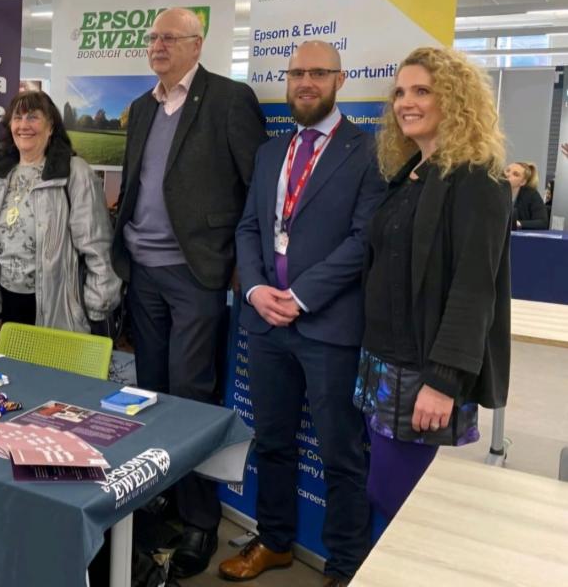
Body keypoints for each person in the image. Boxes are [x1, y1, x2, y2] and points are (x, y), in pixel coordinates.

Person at [112, 6, 266, 578]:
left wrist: (240, 267)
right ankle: (160, 498)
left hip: (196, 273)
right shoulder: (141, 107)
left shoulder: (228, 100)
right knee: (151, 393)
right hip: (143, 271)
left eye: (170, 38)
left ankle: (201, 518)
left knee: (193, 394)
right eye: (153, 37)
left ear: (198, 45)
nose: (158, 46)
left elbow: (255, 190)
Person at [222, 41, 383, 587]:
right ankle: (274, 541)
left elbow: (365, 241)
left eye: (318, 73)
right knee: (272, 441)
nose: (305, 82)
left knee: (341, 454)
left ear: (340, 79)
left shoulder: (368, 152)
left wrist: (302, 295)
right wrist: (257, 291)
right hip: (265, 324)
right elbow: (248, 229)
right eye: (296, 74)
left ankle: (345, 566)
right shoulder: (271, 153)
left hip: (328, 327)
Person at [355, 46, 511, 521]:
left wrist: (443, 384)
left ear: (454, 99)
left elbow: (474, 290)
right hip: (381, 363)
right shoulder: (411, 174)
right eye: (400, 92)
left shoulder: (478, 180)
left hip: (423, 371)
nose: (406, 102)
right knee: (382, 493)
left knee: (396, 502)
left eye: (422, 90)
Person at [0, 90, 121, 331]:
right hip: (11, 300)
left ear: (51, 126)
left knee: (53, 368)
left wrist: (98, 306)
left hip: (60, 305)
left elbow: (97, 246)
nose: (24, 125)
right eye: (17, 117)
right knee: (16, 368)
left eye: (33, 117)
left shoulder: (74, 172)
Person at [505, 161, 547, 229]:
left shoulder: (531, 195)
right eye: (507, 170)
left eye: (515, 174)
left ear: (523, 182)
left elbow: (542, 222)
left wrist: (518, 223)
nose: (508, 175)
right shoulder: (494, 191)